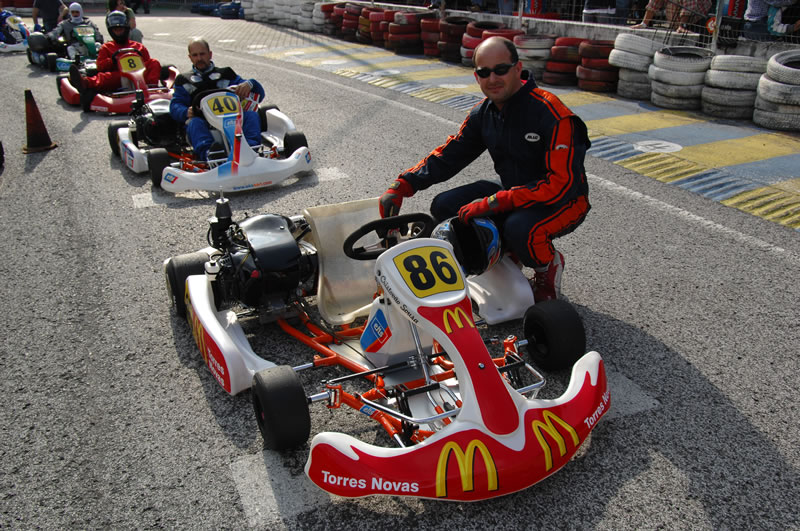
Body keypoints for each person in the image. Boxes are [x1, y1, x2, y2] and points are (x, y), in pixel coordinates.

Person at [378, 37, 591, 302]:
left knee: (522, 230)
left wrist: (495, 202)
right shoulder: (484, 113)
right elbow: (449, 156)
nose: (493, 79)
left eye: (500, 70)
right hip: (513, 191)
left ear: (518, 68)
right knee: (444, 206)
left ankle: (547, 266)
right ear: (476, 76)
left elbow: (560, 185)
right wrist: (403, 185)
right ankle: (507, 253)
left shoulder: (554, 115)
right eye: (484, 72)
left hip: (565, 200)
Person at [169, 38, 265, 162]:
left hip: (231, 119)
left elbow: (258, 94)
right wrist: (186, 111)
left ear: (210, 54)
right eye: (195, 55)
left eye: (202, 54)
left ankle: (252, 149)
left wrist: (250, 84)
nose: (199, 58)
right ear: (190, 57)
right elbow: (175, 105)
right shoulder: (183, 80)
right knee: (194, 123)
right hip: (203, 121)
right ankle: (210, 154)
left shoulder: (226, 74)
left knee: (251, 115)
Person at [68, 11, 161, 100]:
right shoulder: (106, 47)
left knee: (154, 62)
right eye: (116, 30)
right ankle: (85, 82)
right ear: (111, 31)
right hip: (119, 77)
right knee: (105, 77)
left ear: (126, 29)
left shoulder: (138, 46)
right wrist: (112, 61)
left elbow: (148, 64)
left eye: (121, 29)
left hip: (140, 76)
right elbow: (100, 66)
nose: (119, 32)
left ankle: (152, 89)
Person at [630, 0, 711, 32]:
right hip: (676, 21)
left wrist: (682, 26)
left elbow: (688, 8)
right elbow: (653, 4)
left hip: (698, 19)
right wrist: (644, 24)